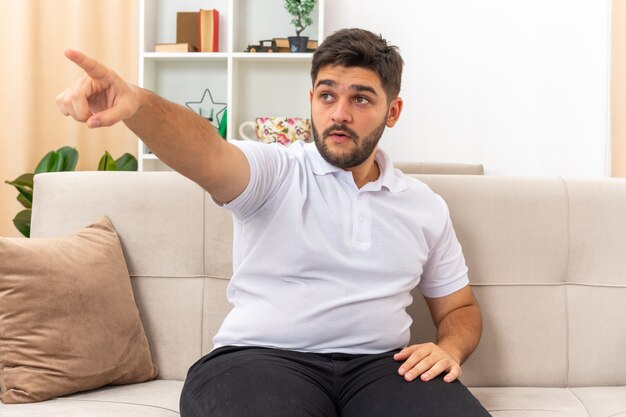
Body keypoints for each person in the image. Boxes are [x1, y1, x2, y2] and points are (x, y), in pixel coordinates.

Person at [57, 28, 491, 417]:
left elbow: (460, 308)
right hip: (258, 360)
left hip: (381, 368)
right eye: (327, 95)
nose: (339, 113)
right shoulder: (275, 171)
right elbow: (207, 152)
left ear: (392, 112)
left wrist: (448, 348)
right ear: (311, 101)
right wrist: (138, 104)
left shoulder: (423, 205)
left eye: (360, 98)